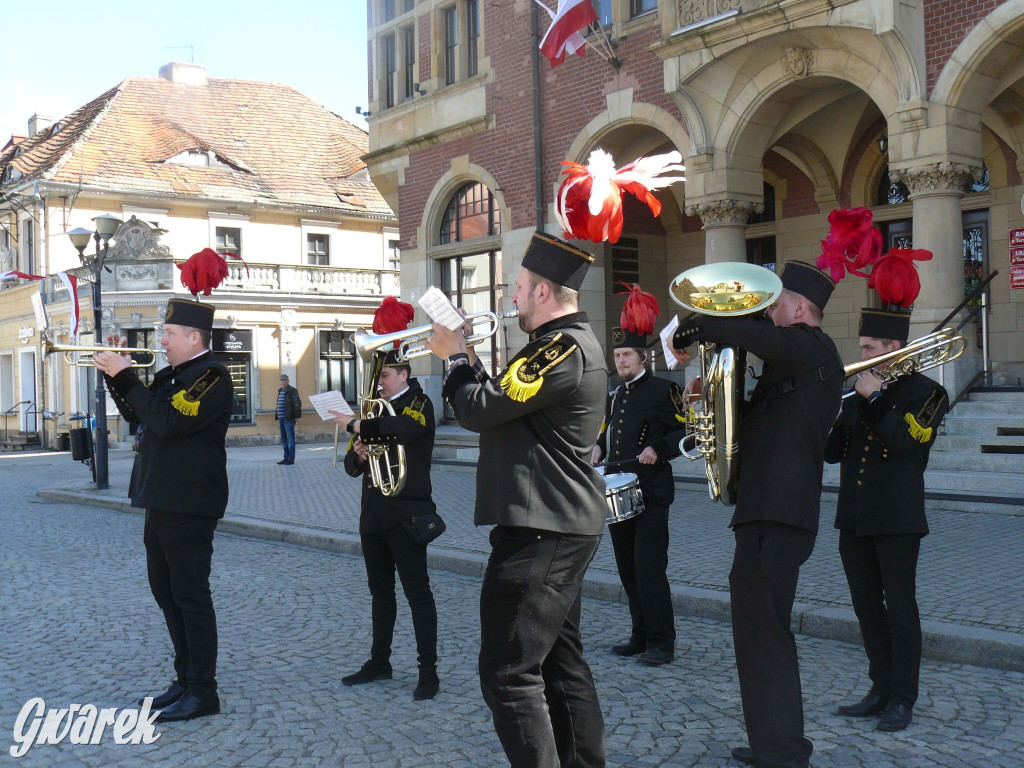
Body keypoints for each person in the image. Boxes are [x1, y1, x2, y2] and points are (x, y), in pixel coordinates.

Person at [425, 231, 608, 768]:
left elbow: (478, 410)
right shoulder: (559, 347)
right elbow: (503, 407)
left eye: (520, 289)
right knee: (559, 662)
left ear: (544, 292)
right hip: (555, 520)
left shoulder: (559, 348)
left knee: (508, 673)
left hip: (541, 527)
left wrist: (456, 358)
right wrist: (468, 358)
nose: (512, 300)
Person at [672, 260, 844, 768]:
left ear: (798, 308)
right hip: (764, 512)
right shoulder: (787, 367)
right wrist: (703, 407)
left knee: (765, 632)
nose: (767, 310)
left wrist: (705, 319)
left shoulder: (812, 347)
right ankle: (774, 743)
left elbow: (749, 333)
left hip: (780, 515)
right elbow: (743, 425)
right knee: (757, 630)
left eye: (774, 302)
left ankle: (784, 751)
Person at [93, 295, 234, 722]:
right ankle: (185, 678)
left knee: (191, 596)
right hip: (162, 497)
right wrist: (118, 377)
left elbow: (169, 422)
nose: (163, 340)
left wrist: (129, 376)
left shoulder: (210, 375)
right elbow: (140, 417)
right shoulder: (175, 373)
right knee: (166, 591)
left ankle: (203, 691)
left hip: (189, 501)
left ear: (194, 337)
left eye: (169, 334)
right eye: (164, 333)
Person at [825, 292, 948, 733]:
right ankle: (878, 688)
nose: (861, 355)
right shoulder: (857, 393)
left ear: (893, 348)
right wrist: (830, 411)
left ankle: (902, 698)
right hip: (854, 517)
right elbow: (832, 453)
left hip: (897, 521)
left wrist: (875, 399)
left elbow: (907, 444)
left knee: (899, 609)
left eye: (868, 348)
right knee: (865, 607)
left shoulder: (930, 393)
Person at [329, 297, 440, 701]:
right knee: (381, 592)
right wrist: (356, 454)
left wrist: (360, 425)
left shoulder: (419, 404)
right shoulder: (375, 409)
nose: (381, 383)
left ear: (405, 372)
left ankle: (429, 671)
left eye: (387, 375)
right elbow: (351, 467)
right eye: (380, 377)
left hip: (407, 514)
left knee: (418, 593)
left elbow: (403, 433)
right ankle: (381, 660)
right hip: (374, 514)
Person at [591, 285, 688, 666]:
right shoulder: (614, 393)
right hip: (618, 493)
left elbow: (685, 433)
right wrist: (599, 445)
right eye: (617, 355)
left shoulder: (665, 389)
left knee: (650, 571)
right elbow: (607, 429)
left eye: (626, 354)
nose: (621, 361)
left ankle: (662, 642)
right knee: (628, 571)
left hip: (650, 494)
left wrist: (658, 449)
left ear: (643, 356)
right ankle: (640, 634)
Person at [275, 373, 302, 465]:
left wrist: (295, 417)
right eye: (281, 380)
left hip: (288, 418)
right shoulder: (280, 391)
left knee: (290, 439)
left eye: (284, 380)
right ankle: (286, 457)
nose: (283, 382)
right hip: (281, 418)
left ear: (288, 381)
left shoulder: (292, 391)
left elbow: (297, 404)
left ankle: (291, 458)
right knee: (283, 439)